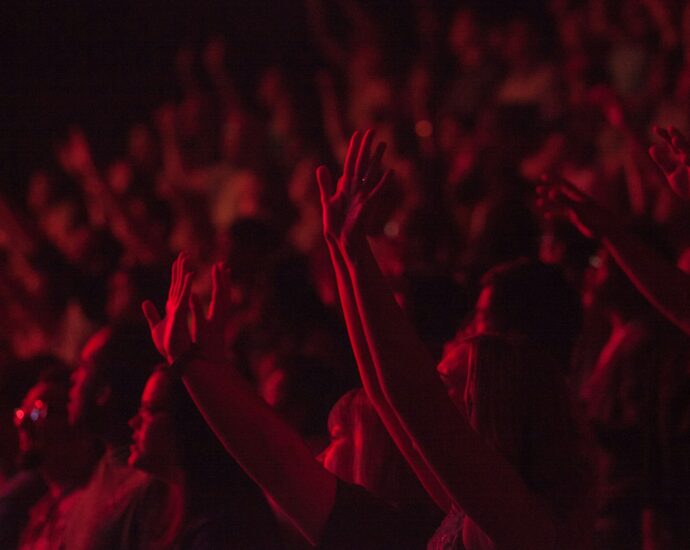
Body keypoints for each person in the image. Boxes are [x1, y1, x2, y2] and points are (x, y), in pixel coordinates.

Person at [315, 129, 592, 548]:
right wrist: (342, 249)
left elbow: (410, 396)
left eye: (448, 386)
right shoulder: (468, 504)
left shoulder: (518, 519)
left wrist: (355, 253)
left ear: (490, 405)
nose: (435, 390)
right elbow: (385, 393)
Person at [142, 255, 440, 548]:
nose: (319, 452)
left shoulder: (379, 535)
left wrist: (189, 362)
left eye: (337, 436)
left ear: (375, 455)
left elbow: (277, 460)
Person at [128, 365, 284, 548]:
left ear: (188, 423)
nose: (134, 422)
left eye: (150, 410)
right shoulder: (160, 504)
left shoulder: (223, 530)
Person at [62, 323, 164, 550]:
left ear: (103, 392)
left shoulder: (148, 489)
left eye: (83, 367)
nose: (73, 378)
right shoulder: (100, 474)